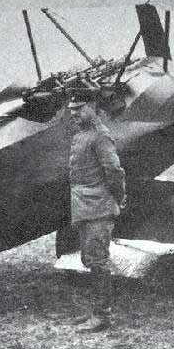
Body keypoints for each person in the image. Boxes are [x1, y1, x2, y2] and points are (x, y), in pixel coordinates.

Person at [67, 89, 126, 333]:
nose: (74, 114)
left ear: (92, 107)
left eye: (79, 109)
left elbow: (114, 170)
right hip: (85, 205)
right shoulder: (83, 135)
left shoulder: (101, 136)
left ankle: (103, 315)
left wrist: (119, 198)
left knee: (98, 261)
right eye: (71, 110)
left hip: (98, 206)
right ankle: (97, 310)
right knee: (90, 259)